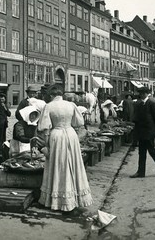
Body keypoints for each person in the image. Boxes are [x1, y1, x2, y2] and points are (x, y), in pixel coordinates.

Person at [36, 86, 93, 214]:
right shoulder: (71, 104)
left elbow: (45, 129)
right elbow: (79, 123)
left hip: (56, 136)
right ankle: (75, 198)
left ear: (51, 96)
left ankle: (58, 200)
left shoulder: (49, 106)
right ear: (61, 95)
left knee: (58, 165)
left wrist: (46, 145)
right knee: (73, 164)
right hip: (71, 134)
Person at [130, 87, 155, 178]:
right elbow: (136, 118)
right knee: (141, 153)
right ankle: (141, 172)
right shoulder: (138, 104)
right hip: (141, 133)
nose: (141, 95)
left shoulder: (152, 104)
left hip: (149, 132)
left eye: (143, 93)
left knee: (152, 152)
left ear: (147, 94)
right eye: (140, 93)